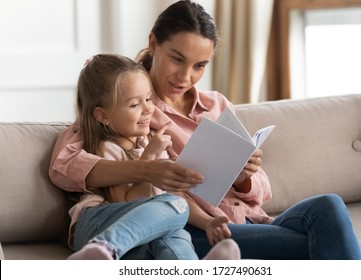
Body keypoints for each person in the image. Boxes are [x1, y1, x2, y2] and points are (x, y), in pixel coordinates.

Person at [50, 0, 361, 260]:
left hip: (249, 219)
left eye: (199, 66)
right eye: (177, 59)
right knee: (317, 244)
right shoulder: (128, 111)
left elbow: (263, 190)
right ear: (153, 44)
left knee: (328, 206)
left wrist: (244, 176)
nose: (185, 77)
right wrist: (146, 167)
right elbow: (65, 164)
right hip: (194, 229)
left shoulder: (216, 105)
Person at [63, 53, 240, 260]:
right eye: (134, 105)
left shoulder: (147, 141)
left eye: (148, 98)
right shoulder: (106, 149)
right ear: (103, 116)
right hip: (98, 223)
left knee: (174, 232)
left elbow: (175, 197)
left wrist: (207, 222)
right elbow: (128, 203)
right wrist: (150, 155)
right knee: (175, 208)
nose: (149, 109)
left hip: (136, 238)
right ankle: (105, 248)